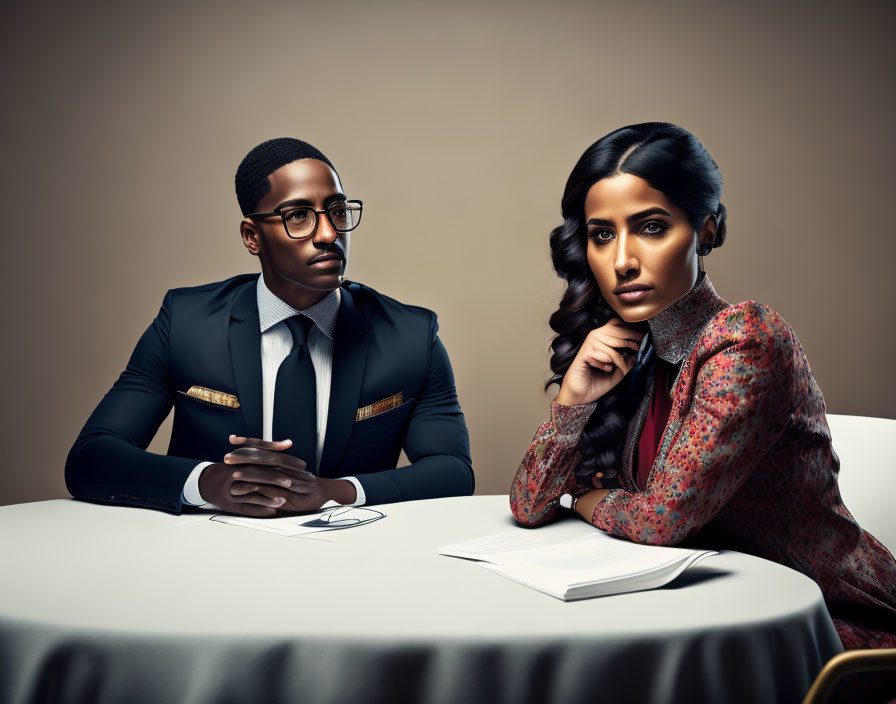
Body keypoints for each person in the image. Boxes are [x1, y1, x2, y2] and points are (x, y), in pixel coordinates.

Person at [509, 123, 896, 658]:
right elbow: (528, 505)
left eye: (650, 227)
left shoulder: (746, 340)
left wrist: (588, 499)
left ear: (707, 231)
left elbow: (662, 520)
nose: (622, 260)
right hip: (694, 620)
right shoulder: (632, 353)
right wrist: (573, 402)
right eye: (602, 234)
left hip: (827, 630)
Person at [66, 137, 473, 516]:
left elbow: (453, 469)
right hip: (203, 558)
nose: (329, 234)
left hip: (351, 561)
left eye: (336, 211)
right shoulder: (186, 323)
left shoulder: (410, 335)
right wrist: (208, 482)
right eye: (298, 216)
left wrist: (333, 491)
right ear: (252, 236)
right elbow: (92, 456)